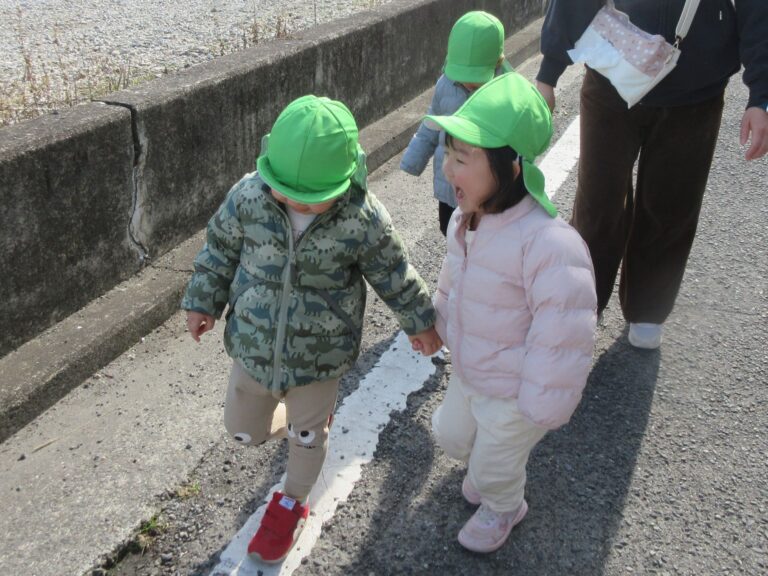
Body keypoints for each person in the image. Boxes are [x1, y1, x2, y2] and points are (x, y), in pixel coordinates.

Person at [181, 95, 442, 564]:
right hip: (253, 348)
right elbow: (218, 250)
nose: (298, 200)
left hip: (322, 358)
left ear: (344, 179)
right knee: (242, 431)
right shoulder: (247, 197)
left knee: (307, 439)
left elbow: (393, 272)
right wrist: (203, 301)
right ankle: (291, 419)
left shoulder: (361, 218)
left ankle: (291, 503)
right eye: (285, 189)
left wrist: (419, 321)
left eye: (313, 196)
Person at [426, 72, 597, 553]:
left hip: (516, 391)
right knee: (454, 438)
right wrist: (438, 325)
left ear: (512, 168)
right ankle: (489, 473)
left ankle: (505, 507)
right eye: (448, 154)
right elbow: (451, 280)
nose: (447, 171)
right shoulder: (466, 218)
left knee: (494, 467)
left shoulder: (548, 243)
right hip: (472, 367)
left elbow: (563, 331)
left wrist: (538, 405)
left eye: (462, 159)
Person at [535, 0, 768, 349]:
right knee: (598, 202)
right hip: (613, 70)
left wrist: (761, 96)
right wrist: (548, 72)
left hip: (696, 86)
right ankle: (581, 307)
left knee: (672, 204)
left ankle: (648, 307)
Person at [400, 10, 514, 236]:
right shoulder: (445, 85)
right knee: (450, 229)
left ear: (497, 61)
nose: (469, 82)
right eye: (464, 74)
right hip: (450, 183)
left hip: (486, 185)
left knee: (485, 233)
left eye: (477, 77)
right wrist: (413, 160)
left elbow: (518, 138)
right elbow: (431, 125)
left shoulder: (507, 89)